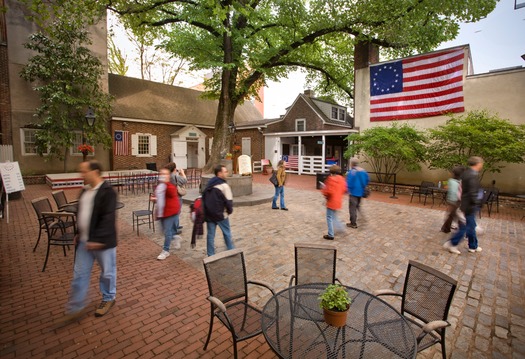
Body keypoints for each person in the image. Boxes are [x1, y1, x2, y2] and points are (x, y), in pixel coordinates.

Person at [65, 160, 117, 320]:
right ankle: (76, 307)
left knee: (107, 273)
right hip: (84, 242)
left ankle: (108, 298)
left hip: (102, 242)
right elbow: (81, 214)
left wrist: (98, 239)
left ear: (94, 172)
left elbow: (108, 218)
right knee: (79, 274)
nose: (81, 174)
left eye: (84, 171)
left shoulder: (108, 192)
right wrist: (79, 232)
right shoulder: (84, 191)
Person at [443, 156, 484, 254]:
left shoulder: (467, 173)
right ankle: (453, 243)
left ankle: (473, 245)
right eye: (481, 163)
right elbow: (472, 192)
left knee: (470, 226)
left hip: (466, 204)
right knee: (466, 227)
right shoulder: (471, 175)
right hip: (469, 205)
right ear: (478, 164)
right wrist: (477, 203)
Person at [202, 164, 234, 256]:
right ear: (219, 173)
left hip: (209, 214)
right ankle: (230, 250)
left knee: (210, 235)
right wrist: (229, 211)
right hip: (221, 214)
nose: (227, 173)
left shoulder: (210, 183)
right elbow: (229, 202)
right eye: (225, 171)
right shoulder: (224, 186)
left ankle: (210, 254)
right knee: (226, 232)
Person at [155, 167, 182, 260]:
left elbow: (172, 192)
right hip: (162, 212)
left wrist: (166, 182)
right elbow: (160, 197)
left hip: (171, 212)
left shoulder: (169, 185)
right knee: (163, 231)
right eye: (161, 174)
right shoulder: (160, 185)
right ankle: (175, 237)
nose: (162, 176)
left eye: (165, 174)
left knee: (167, 232)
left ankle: (165, 251)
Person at [322, 165, 347, 240]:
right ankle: (340, 228)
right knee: (334, 216)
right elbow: (344, 189)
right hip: (338, 200)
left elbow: (328, 191)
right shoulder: (342, 179)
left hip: (331, 201)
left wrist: (324, 191)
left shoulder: (330, 179)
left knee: (329, 217)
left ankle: (331, 234)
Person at [346, 157, 369, 229]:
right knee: (358, 206)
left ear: (351, 164)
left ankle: (353, 223)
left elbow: (349, 183)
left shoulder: (352, 172)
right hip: (361, 192)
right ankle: (362, 218)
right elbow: (368, 180)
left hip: (353, 193)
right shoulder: (363, 171)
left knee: (352, 208)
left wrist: (348, 190)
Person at [164, 162, 187, 235]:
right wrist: (182, 173)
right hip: (177, 196)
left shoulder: (168, 176)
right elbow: (184, 181)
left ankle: (176, 225)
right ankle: (174, 229)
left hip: (170, 196)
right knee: (176, 212)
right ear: (174, 169)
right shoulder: (174, 176)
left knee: (175, 212)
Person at [440, 166, 464, 233]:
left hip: (453, 201)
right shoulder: (460, 182)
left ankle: (446, 228)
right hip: (457, 201)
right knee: (453, 215)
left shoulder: (451, 181)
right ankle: (447, 228)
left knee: (452, 215)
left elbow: (448, 188)